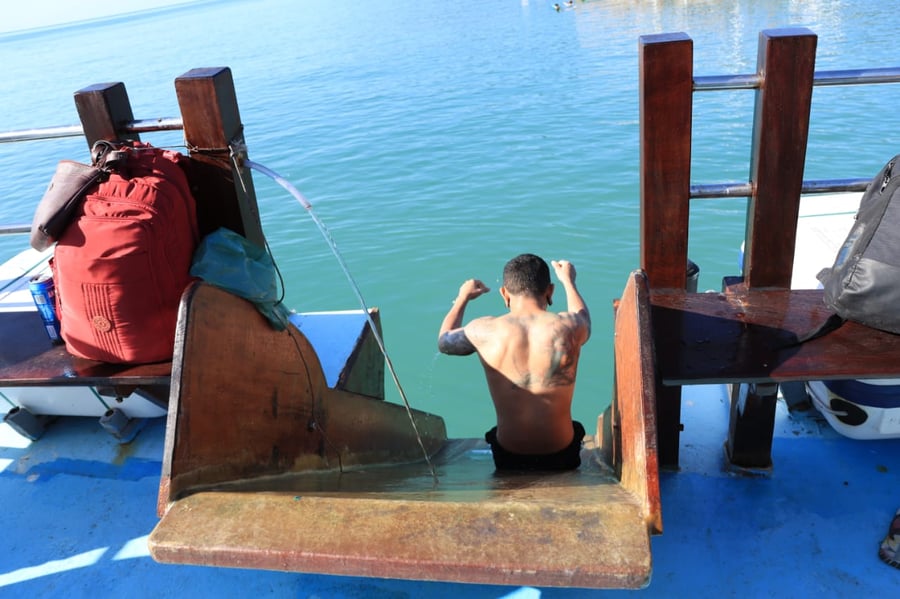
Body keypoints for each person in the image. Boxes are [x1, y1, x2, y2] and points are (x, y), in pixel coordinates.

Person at [437, 254, 591, 471]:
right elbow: (584, 318)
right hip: (562, 453)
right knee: (576, 429)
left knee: (497, 433)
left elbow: (444, 341)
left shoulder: (482, 330)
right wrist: (569, 281)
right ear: (550, 291)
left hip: (508, 455)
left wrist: (462, 298)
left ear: (504, 293)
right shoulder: (570, 326)